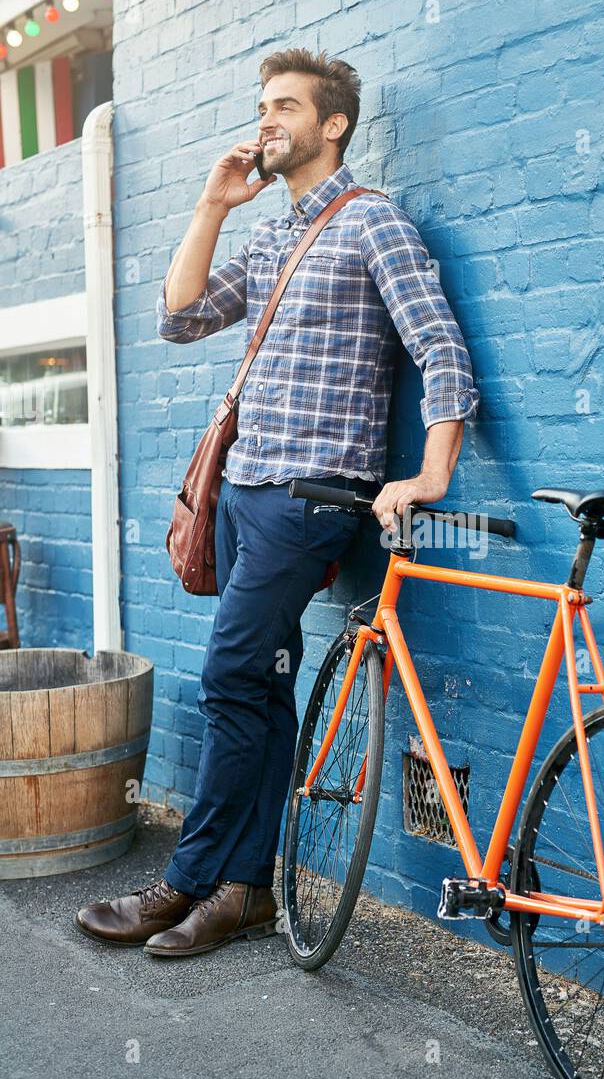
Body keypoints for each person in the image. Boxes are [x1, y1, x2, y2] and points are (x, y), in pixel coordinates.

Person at [76, 47, 480, 957]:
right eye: (263, 106)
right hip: (245, 487)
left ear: (333, 123)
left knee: (226, 677)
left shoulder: (374, 223)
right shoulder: (271, 235)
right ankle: (246, 889)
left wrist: (431, 472)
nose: (268, 121)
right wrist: (214, 204)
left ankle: (186, 880)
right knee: (258, 685)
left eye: (286, 107)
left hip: (311, 499)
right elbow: (179, 316)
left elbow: (442, 350)